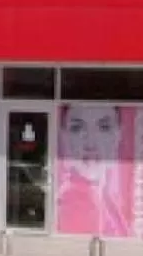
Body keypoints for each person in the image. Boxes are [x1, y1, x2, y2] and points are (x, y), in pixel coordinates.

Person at [57, 102, 135, 238]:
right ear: (64, 136)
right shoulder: (75, 202)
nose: (91, 143)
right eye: (77, 128)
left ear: (118, 135)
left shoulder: (103, 196)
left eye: (104, 128)